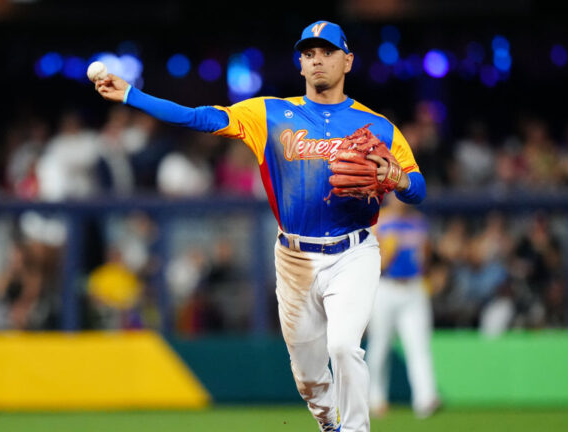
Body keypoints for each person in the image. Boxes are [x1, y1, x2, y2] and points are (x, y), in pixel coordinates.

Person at [95, 20, 426, 432]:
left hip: (354, 251)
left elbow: (418, 189)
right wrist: (132, 95)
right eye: (309, 53)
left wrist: (400, 180)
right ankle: (329, 421)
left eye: (327, 52)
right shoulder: (269, 113)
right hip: (295, 258)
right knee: (308, 375)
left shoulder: (378, 127)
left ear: (348, 61)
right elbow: (199, 118)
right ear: (300, 65)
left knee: (344, 347)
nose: (317, 60)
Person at [365, 196, 440, 419]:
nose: (400, 200)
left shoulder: (419, 222)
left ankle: (426, 398)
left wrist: (426, 261)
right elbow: (371, 263)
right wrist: (386, 254)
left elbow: (426, 259)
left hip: (414, 287)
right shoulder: (377, 222)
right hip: (385, 287)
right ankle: (375, 397)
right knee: (380, 345)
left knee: (419, 345)